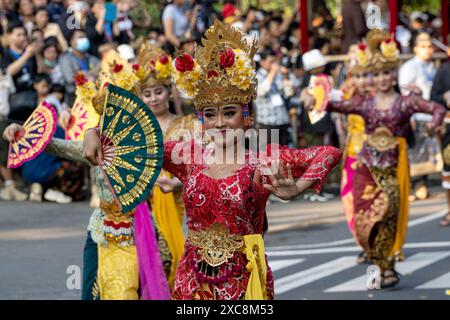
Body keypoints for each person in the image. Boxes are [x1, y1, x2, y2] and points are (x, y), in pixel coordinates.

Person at [82, 20, 342, 300]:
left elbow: (328, 153)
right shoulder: (188, 156)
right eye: (210, 115)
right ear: (202, 120)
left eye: (229, 113)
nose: (220, 123)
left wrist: (297, 189)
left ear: (246, 117)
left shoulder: (261, 157)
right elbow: (132, 144)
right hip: (193, 279)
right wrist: (92, 132)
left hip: (243, 279)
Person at [3, 51, 171, 300]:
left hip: (139, 230)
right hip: (101, 229)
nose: (112, 118)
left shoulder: (147, 145)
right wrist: (23, 132)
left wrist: (174, 182)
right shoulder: (98, 145)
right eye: (106, 114)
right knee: (94, 291)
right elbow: (60, 146)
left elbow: (189, 166)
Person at [306, 30, 446, 288]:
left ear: (393, 74)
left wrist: (434, 125)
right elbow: (333, 105)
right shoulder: (365, 103)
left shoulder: (406, 102)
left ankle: (386, 267)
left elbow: (436, 108)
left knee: (388, 215)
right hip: (366, 168)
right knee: (365, 221)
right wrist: (313, 98)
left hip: (392, 169)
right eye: (378, 74)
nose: (382, 79)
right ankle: (377, 269)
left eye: (386, 73)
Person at [399, 32, 438, 201]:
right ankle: (414, 187)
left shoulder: (432, 67)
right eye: (423, 46)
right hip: (416, 114)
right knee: (415, 151)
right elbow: (405, 92)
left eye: (430, 46)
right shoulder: (410, 67)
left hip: (430, 115)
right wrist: (410, 116)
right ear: (416, 48)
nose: (427, 50)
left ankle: (422, 185)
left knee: (427, 151)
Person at [430, 59, 450, 226]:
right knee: (449, 167)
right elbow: (433, 97)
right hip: (449, 127)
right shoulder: (444, 70)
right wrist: (444, 96)